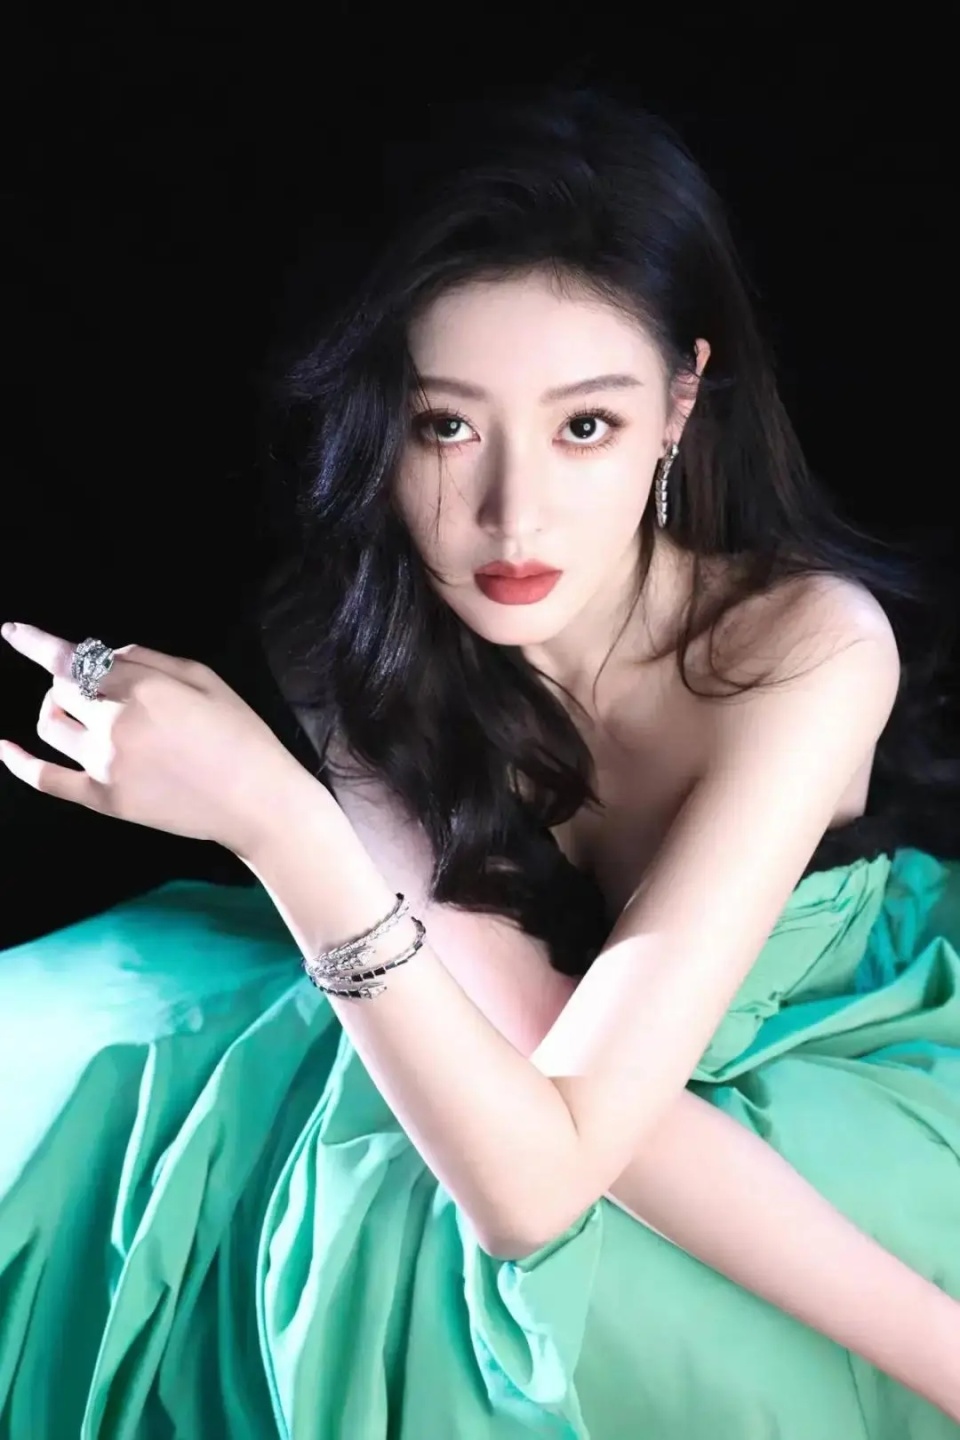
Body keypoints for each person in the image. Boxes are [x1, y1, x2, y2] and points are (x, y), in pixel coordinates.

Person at [0, 85, 958, 1440]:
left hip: (822, 1050)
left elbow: (548, 1167)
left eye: (585, 427)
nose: (514, 518)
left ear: (680, 404)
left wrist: (947, 1357)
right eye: (446, 425)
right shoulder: (353, 632)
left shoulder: (803, 646)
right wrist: (284, 822)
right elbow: (529, 1140)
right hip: (520, 1081)